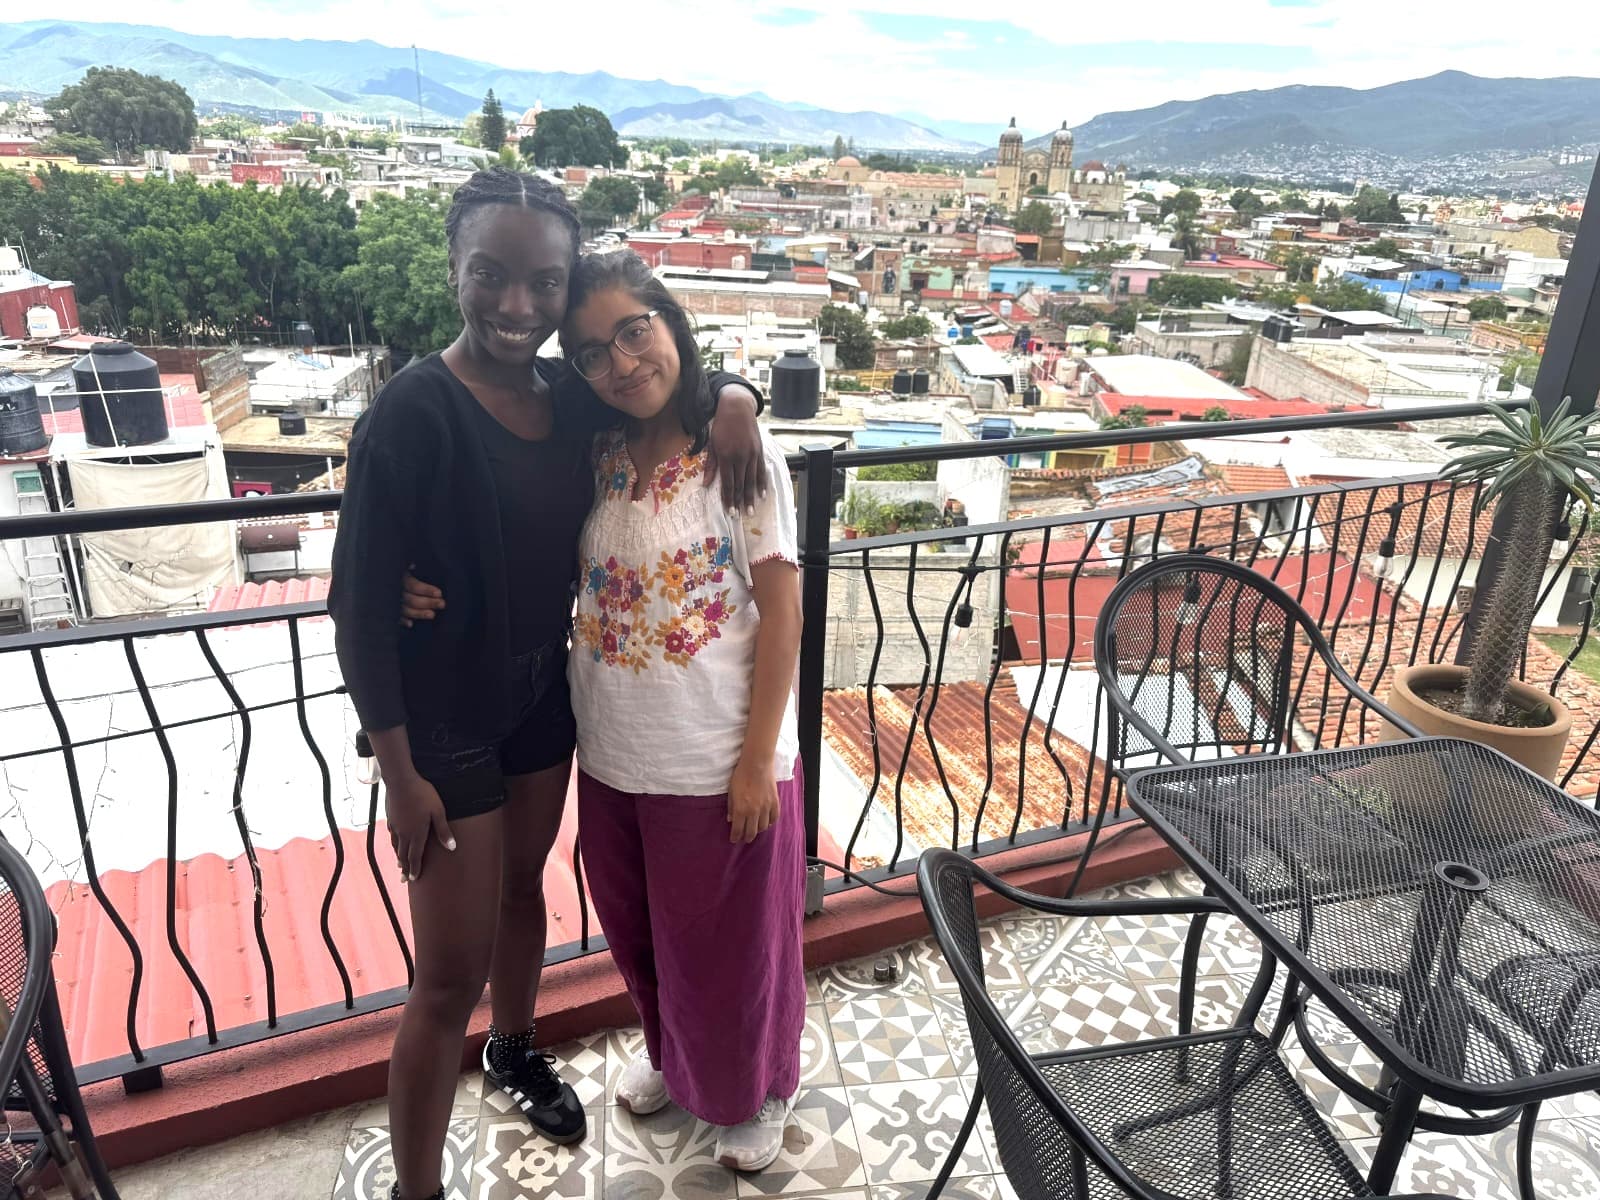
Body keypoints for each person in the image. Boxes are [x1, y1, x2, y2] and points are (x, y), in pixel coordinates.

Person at [329, 170, 767, 1200]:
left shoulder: (568, 398)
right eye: (491, 275)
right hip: (442, 720)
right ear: (453, 271)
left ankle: (514, 1047)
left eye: (542, 282)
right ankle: (416, 1189)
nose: (516, 305)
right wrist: (398, 771)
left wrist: (738, 396)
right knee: (443, 978)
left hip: (541, 698)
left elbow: (663, 377)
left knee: (525, 888)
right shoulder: (411, 414)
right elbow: (356, 609)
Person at [402, 250, 807, 1172]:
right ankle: (677, 1057)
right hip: (613, 748)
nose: (622, 361)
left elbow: (782, 610)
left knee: (733, 947)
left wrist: (756, 763)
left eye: (636, 330)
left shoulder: (736, 452)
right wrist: (398, 576)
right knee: (645, 931)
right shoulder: (598, 447)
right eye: (593, 351)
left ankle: (758, 1089)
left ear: (671, 325)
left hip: (716, 757)